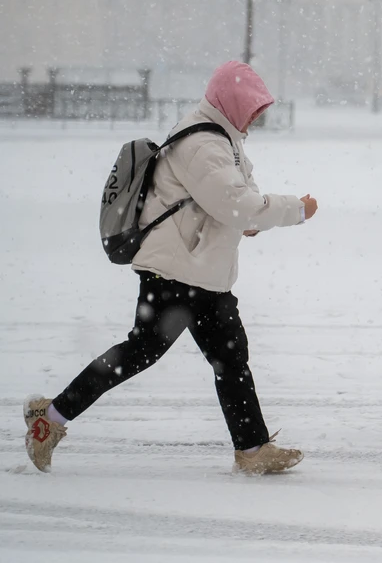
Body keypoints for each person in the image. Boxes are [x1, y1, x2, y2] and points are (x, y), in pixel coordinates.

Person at [23, 61, 318, 474]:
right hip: (175, 272)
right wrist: (297, 210)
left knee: (231, 358)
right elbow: (240, 205)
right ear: (232, 102)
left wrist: (247, 218)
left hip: (203, 273)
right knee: (139, 353)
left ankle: (252, 451)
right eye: (251, 108)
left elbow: (232, 203)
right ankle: (49, 419)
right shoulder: (204, 144)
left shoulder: (220, 138)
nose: (255, 117)